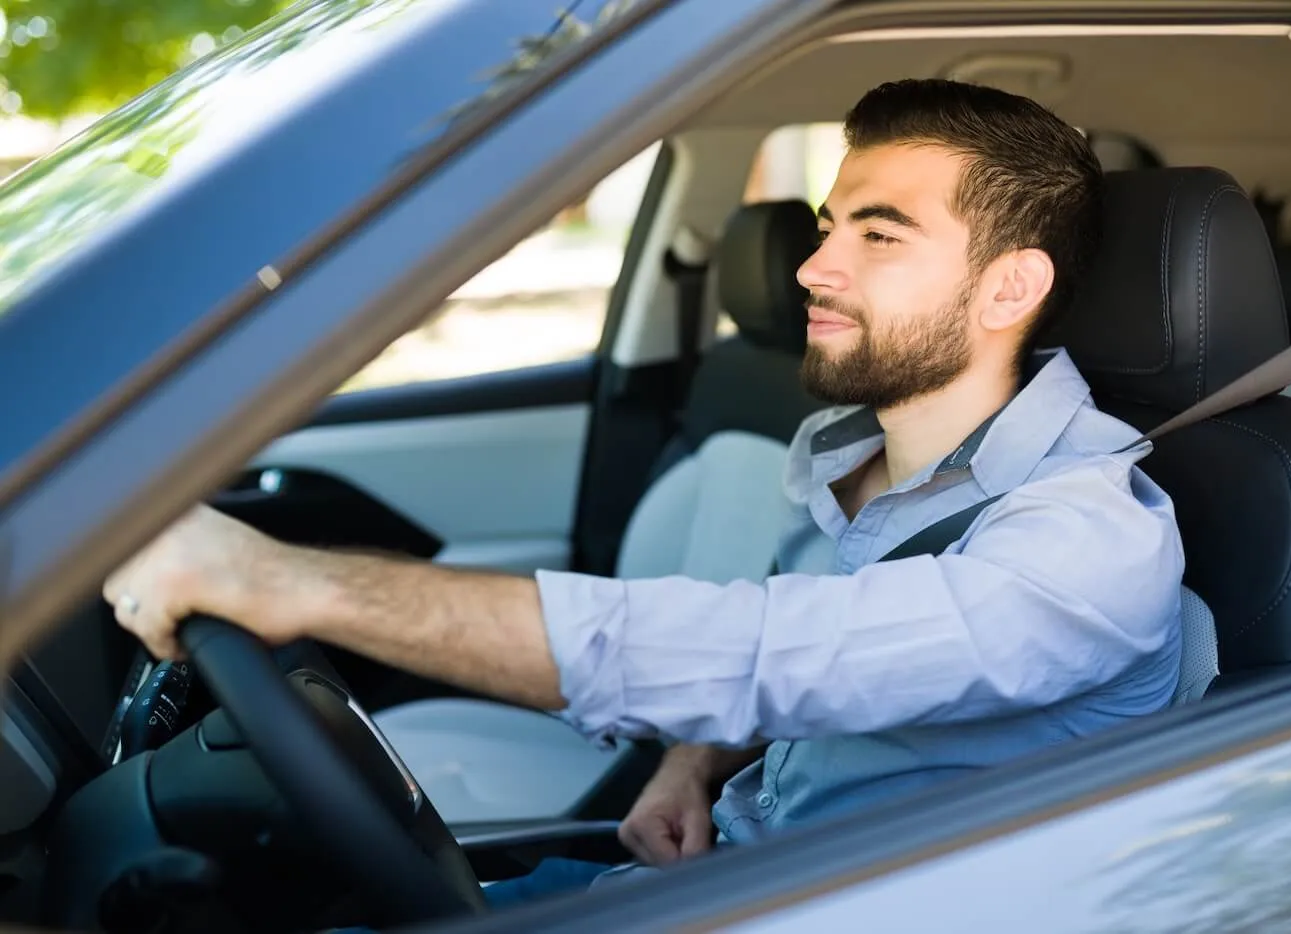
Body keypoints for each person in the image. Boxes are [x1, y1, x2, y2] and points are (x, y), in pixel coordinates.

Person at [103, 79, 1184, 906]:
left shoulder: (1086, 541)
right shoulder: (844, 455)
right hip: (717, 878)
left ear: (1009, 287)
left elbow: (763, 652)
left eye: (878, 234)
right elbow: (809, 653)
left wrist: (295, 583)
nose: (811, 267)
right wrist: (690, 763)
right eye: (826, 224)